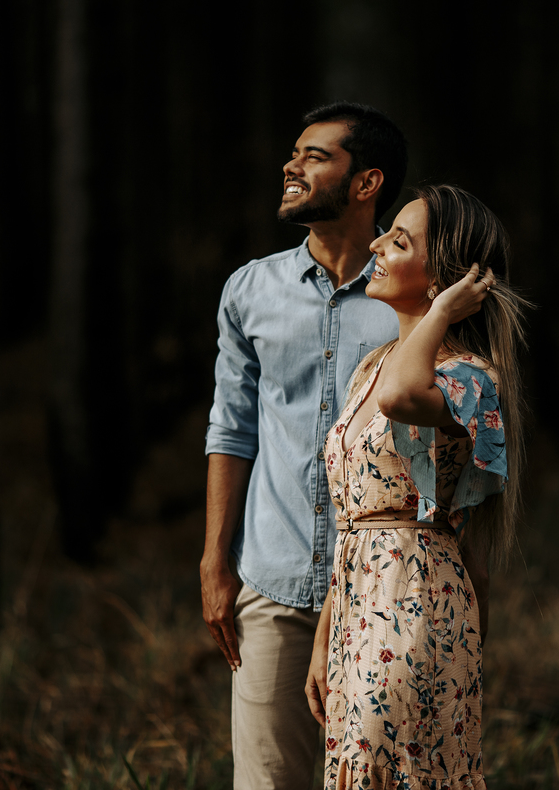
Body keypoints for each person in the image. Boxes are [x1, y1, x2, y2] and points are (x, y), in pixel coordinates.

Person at [202, 102, 408, 789]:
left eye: (315, 157)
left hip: (385, 591)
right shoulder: (250, 290)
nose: (291, 166)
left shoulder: (409, 297)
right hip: (274, 584)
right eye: (294, 154)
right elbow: (230, 429)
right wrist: (214, 561)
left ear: (366, 182)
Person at [305, 184, 529, 790]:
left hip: (415, 601)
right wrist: (326, 636)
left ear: (445, 281)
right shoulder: (370, 366)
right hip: (356, 605)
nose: (375, 243)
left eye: (398, 241)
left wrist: (438, 316)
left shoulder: (469, 378)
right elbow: (354, 514)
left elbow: (401, 398)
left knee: (403, 769)